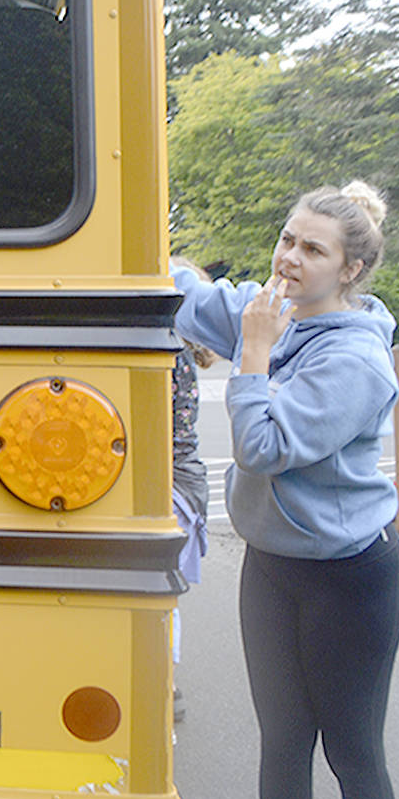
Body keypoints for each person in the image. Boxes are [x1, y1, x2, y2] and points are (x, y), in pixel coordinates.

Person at [171, 182, 399, 799]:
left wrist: (253, 351)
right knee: (282, 744)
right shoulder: (274, 313)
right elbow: (190, 295)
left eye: (313, 248)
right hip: (274, 569)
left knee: (353, 752)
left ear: (351, 269)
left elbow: (262, 446)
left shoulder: (356, 360)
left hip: (351, 580)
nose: (291, 257)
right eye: (287, 239)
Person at [168, 259, 214, 721]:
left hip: (171, 481)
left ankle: (165, 684)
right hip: (185, 480)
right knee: (164, 590)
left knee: (158, 590)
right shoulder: (181, 349)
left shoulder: (167, 351)